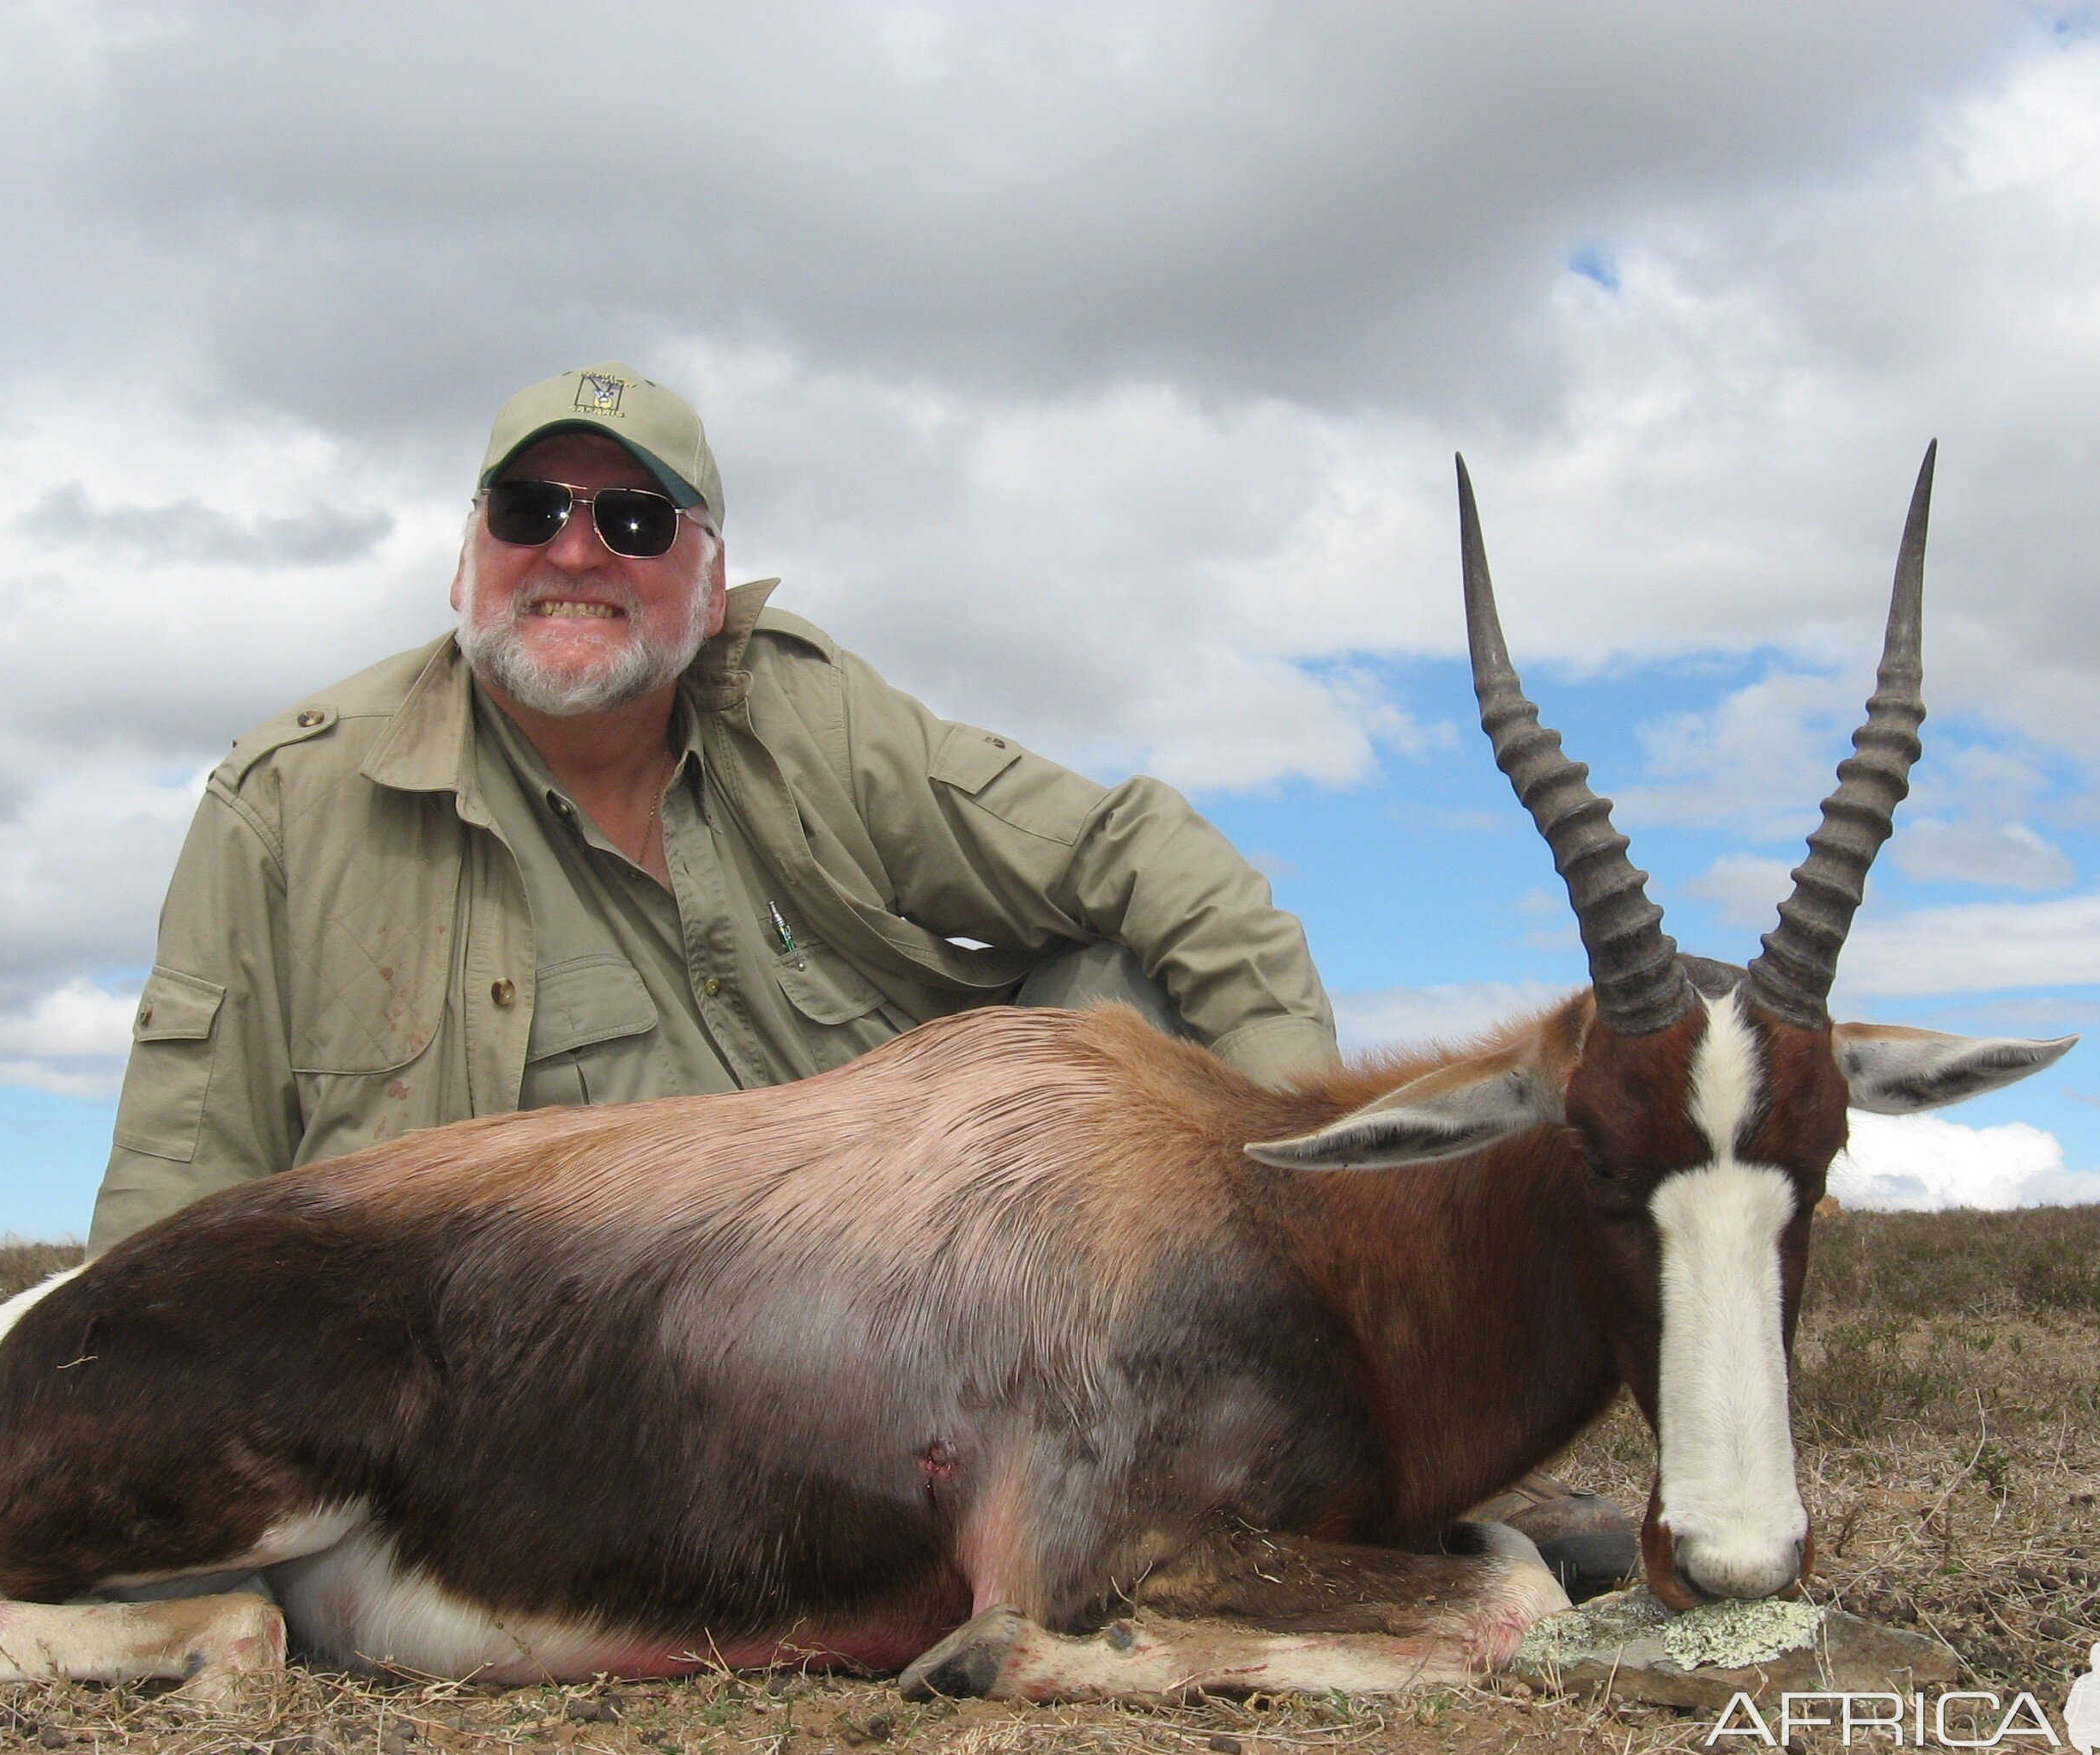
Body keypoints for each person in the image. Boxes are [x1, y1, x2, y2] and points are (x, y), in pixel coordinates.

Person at [87, 363, 1338, 1253]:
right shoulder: (284, 807)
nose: (577, 555)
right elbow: (174, 1188)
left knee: (1124, 986)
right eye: (532, 512)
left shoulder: (812, 716)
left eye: (634, 519)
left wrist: (1321, 1166)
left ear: (711, 578)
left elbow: (1136, 851)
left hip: (954, 1293)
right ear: (465, 554)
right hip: (608, 1367)